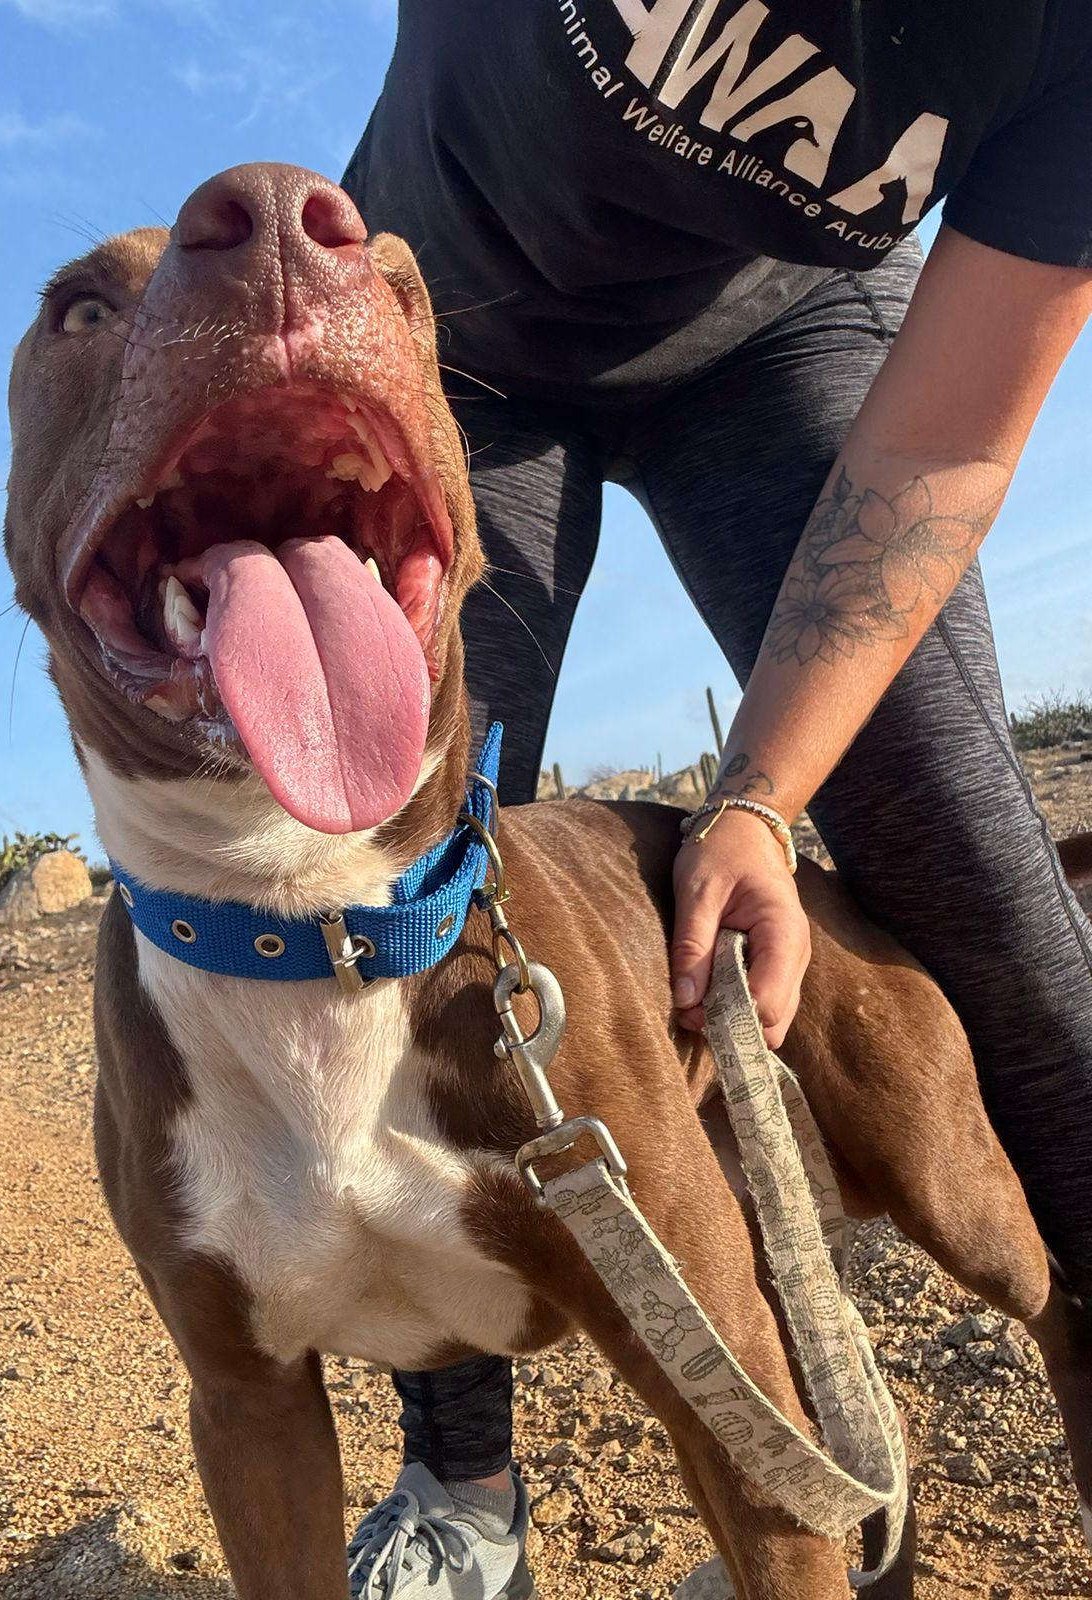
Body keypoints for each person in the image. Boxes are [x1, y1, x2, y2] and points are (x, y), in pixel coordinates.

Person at [342, 4, 1092, 1595]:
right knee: (387, 907)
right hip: (448, 333)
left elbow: (947, 443)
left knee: (985, 890)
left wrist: (756, 800)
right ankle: (463, 1479)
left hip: (784, 334)